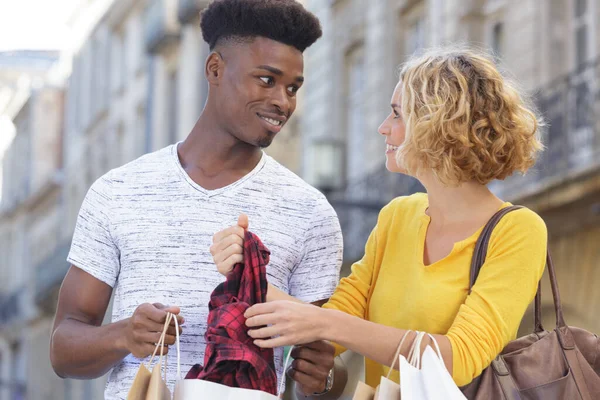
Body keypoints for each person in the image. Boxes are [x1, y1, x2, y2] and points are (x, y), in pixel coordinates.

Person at [49, 0, 344, 398]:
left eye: (293, 88)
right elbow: (63, 349)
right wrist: (124, 335)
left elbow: (324, 368)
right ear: (215, 69)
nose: (283, 102)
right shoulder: (119, 191)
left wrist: (324, 376)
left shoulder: (311, 214)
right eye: (266, 80)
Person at [214, 47, 547, 395]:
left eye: (397, 115)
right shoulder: (397, 217)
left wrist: (327, 322)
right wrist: (248, 269)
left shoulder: (517, 231)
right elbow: (331, 323)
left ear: (440, 124)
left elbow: (460, 357)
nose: (383, 128)